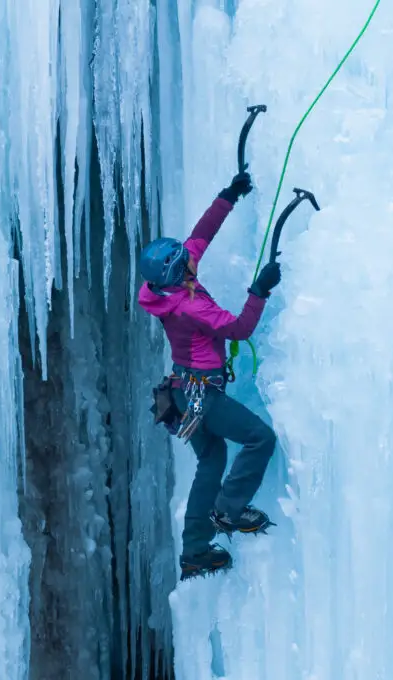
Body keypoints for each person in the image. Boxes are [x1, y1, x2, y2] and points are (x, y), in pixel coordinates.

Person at [137, 171, 282, 580]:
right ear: (175, 274)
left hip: (184, 394)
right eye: (185, 264)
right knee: (260, 438)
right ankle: (228, 510)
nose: (191, 263)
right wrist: (261, 291)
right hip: (201, 394)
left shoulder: (168, 287)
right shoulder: (189, 307)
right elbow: (238, 329)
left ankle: (196, 551)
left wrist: (228, 196)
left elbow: (202, 234)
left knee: (211, 458)